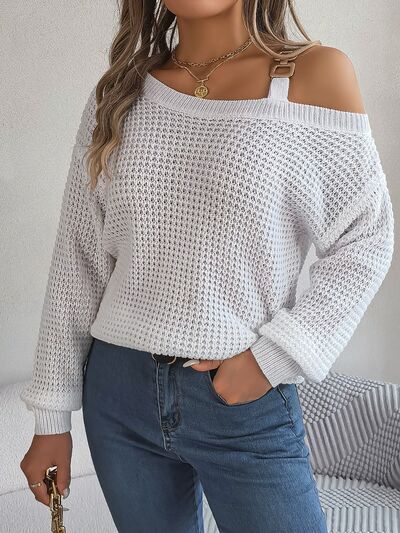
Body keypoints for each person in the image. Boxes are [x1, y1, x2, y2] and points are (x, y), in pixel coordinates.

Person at [19, 1, 394, 532]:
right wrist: (51, 419)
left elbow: (366, 239)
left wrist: (274, 359)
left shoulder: (313, 75)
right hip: (118, 396)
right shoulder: (122, 93)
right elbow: (77, 261)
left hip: (240, 400)